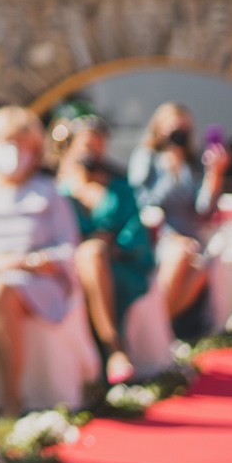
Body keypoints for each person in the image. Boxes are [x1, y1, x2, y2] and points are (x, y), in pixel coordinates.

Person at [0, 106, 79, 415]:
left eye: (17, 143)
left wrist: (26, 262)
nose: (9, 150)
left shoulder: (48, 193)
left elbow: (67, 249)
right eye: (1, 141)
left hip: (34, 282)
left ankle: (11, 398)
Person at [54, 110, 155, 385]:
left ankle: (114, 348)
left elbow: (135, 233)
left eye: (99, 145)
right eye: (87, 144)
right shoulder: (57, 191)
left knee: (93, 254)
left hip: (118, 267)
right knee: (87, 255)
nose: (93, 151)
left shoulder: (119, 189)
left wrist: (109, 246)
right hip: (69, 270)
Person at [129, 101, 229, 330]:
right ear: (159, 129)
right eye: (174, 128)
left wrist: (215, 174)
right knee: (182, 254)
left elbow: (203, 210)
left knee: (201, 269)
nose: (179, 134)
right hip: (156, 238)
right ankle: (153, 331)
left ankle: (159, 331)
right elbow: (142, 203)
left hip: (189, 241)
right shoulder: (147, 157)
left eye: (184, 129)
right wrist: (169, 173)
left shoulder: (192, 164)